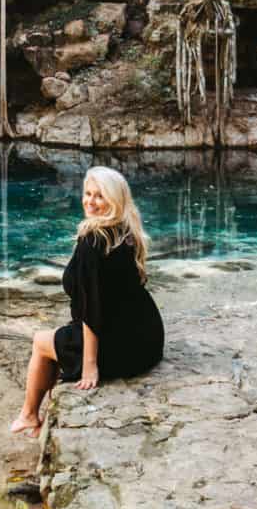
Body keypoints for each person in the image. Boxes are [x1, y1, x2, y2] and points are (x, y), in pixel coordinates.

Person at [11, 165, 164, 437]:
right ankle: (41, 418)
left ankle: (29, 415)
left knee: (40, 340)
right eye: (87, 194)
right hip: (148, 341)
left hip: (122, 349)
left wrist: (90, 365)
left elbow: (91, 310)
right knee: (62, 338)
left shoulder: (92, 241)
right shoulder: (126, 230)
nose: (90, 202)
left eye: (99, 196)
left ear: (114, 200)